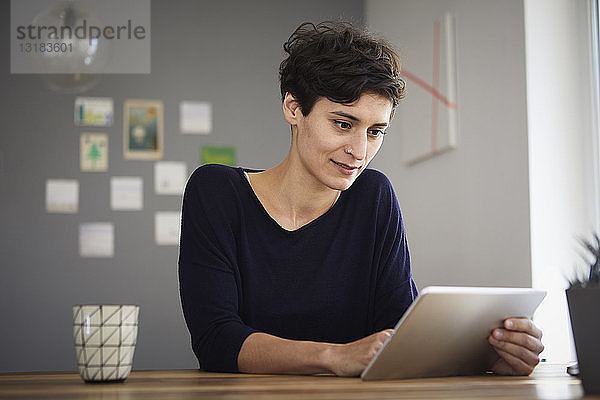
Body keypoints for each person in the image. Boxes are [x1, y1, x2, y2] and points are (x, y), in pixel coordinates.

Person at [178, 20, 544, 377]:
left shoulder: (373, 197)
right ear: (293, 108)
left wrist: (488, 359)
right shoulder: (216, 192)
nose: (359, 150)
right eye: (343, 123)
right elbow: (217, 340)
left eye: (375, 131)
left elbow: (398, 333)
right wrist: (335, 357)